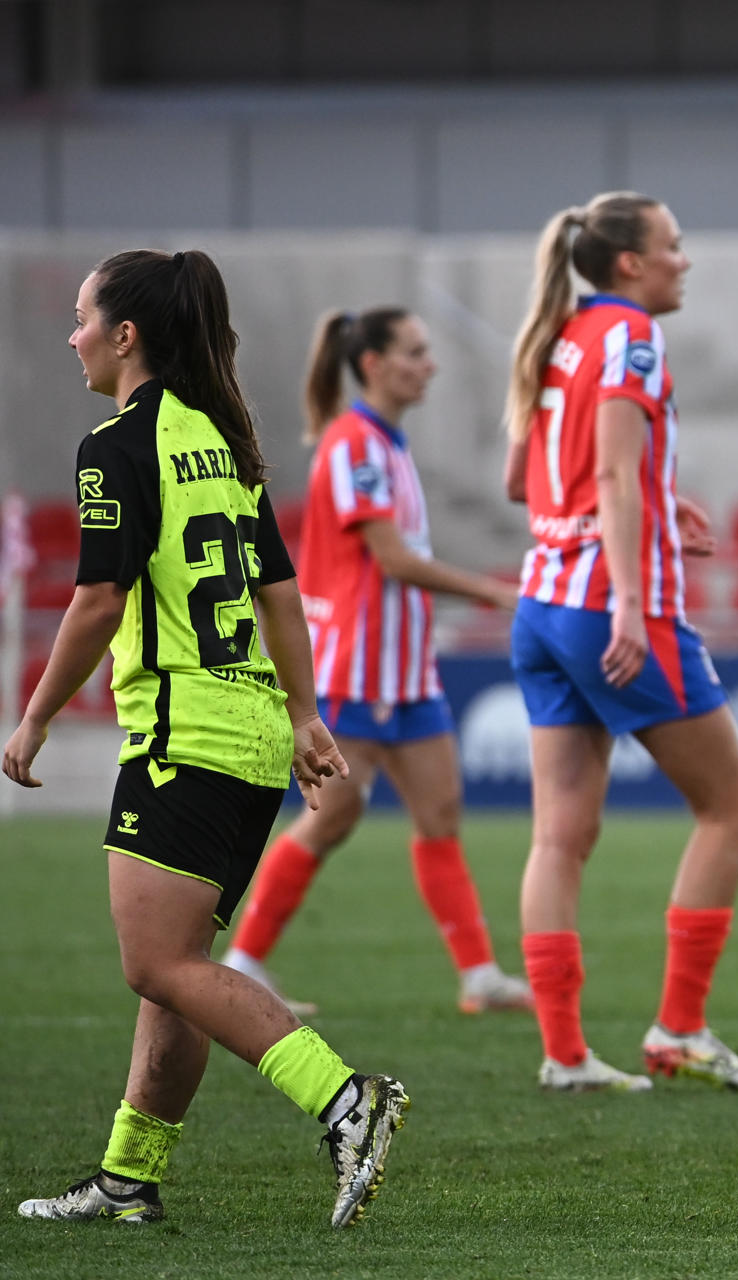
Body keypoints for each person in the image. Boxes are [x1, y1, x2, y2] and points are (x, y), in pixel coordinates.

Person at [3, 249, 407, 1229]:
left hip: (184, 732)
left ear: (126, 334)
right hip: (253, 733)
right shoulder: (222, 441)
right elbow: (278, 594)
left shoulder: (120, 444)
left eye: (83, 317)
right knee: (173, 970)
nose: (73, 336)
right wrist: (305, 714)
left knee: (157, 965)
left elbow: (98, 599)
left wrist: (35, 711)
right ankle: (128, 1177)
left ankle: (345, 1098)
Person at [503, 192, 738, 1095]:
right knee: (730, 808)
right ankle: (681, 1029)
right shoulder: (630, 336)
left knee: (559, 837)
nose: (683, 261)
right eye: (673, 246)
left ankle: (566, 1053)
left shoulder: (559, 334)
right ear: (630, 263)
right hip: (614, 609)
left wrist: (660, 500)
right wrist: (627, 602)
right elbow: (614, 472)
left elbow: (527, 478)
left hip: (541, 602)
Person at [221, 307, 531, 1016]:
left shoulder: (388, 444)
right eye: (415, 352)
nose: (430, 364)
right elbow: (391, 560)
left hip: (406, 675)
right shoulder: (355, 445)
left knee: (440, 815)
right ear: (373, 365)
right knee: (331, 819)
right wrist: (491, 591)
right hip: (355, 673)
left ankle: (478, 975)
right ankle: (243, 960)